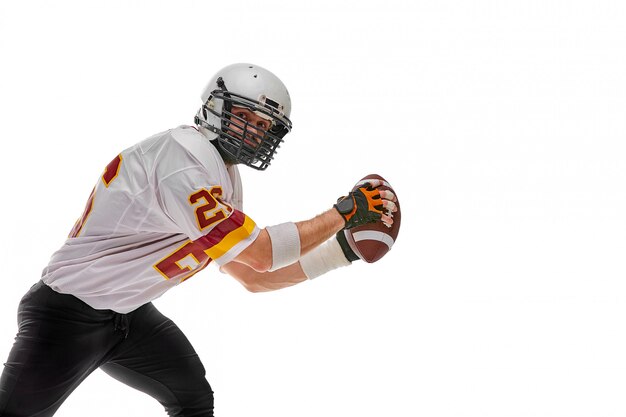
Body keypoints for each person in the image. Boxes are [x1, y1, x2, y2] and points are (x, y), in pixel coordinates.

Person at [0, 63, 397, 417]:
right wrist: (344, 212)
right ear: (217, 107)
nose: (254, 132)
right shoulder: (183, 161)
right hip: (66, 314)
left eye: (264, 126)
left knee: (193, 401)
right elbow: (262, 256)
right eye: (246, 116)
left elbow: (252, 276)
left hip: (127, 315)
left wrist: (341, 251)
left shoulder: (222, 175)